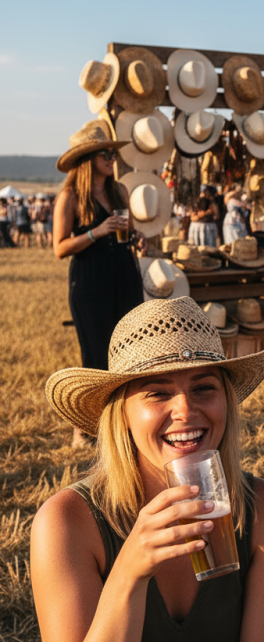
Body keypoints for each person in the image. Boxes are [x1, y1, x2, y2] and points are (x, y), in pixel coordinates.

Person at [30, 296, 264, 642]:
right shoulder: (66, 524)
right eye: (157, 393)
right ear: (121, 414)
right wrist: (129, 574)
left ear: (227, 401)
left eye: (203, 388)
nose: (185, 410)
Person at [53, 120, 143, 444]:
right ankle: (86, 429)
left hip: (123, 274)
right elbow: (60, 247)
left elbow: (126, 233)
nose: (112, 158)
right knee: (95, 355)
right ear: (88, 158)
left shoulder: (118, 191)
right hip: (90, 283)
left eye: (113, 152)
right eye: (105, 153)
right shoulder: (70, 197)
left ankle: (124, 424)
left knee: (130, 350)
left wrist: (137, 238)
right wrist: (96, 231)